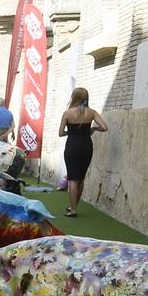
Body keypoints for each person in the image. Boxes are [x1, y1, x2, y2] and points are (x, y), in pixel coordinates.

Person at [58, 86, 109, 217]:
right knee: (80, 178)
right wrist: (93, 129)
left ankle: (73, 209)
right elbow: (104, 127)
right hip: (86, 146)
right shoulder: (91, 112)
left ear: (74, 97)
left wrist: (73, 131)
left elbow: (60, 133)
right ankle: (74, 206)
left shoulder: (67, 113)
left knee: (72, 179)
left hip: (72, 146)